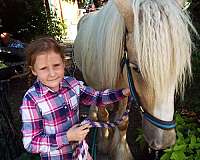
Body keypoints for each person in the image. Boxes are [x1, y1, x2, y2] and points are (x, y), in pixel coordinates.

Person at [20, 37, 130, 160]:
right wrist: (67, 137)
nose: (52, 73)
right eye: (43, 68)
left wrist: (123, 93)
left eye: (56, 65)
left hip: (81, 153)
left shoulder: (72, 85)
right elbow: (31, 143)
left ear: (64, 63)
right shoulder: (31, 100)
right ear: (34, 70)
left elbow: (97, 98)